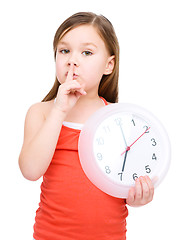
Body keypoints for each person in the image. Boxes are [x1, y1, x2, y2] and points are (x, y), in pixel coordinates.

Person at [19, 12, 154, 240]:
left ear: (109, 65)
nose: (72, 60)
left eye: (87, 52)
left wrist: (138, 196)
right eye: (64, 51)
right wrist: (59, 111)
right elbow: (30, 171)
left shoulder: (120, 119)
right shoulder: (41, 113)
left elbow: (124, 181)